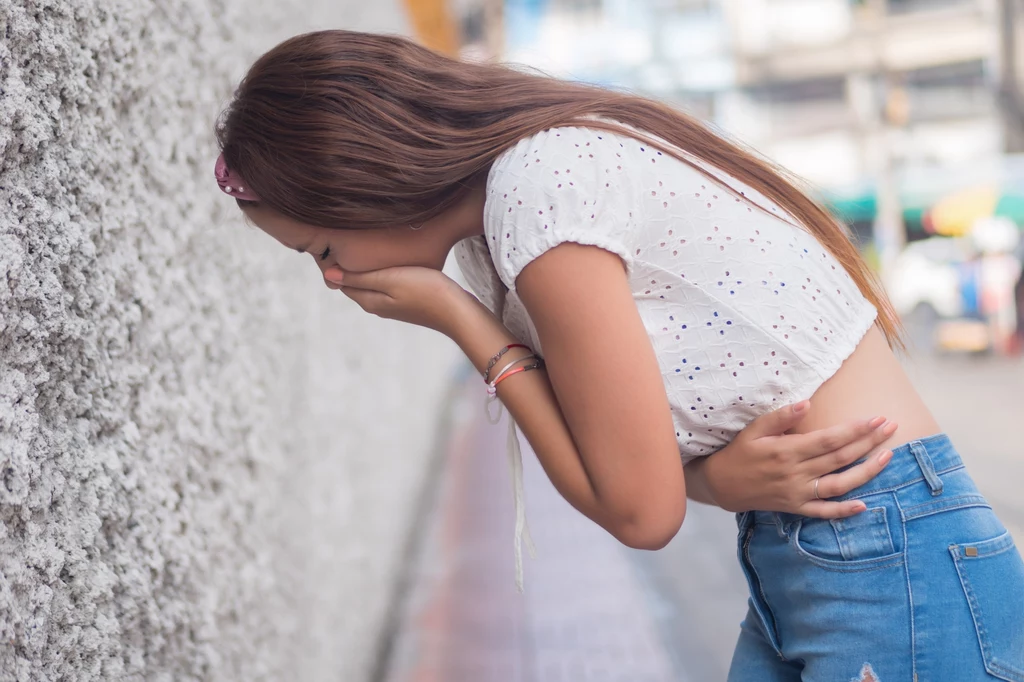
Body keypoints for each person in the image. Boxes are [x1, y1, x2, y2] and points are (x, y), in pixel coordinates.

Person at [213, 30, 1024, 682]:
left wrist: (466, 326)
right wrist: (713, 481)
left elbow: (640, 512)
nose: (332, 278)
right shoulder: (538, 179)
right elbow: (638, 476)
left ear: (364, 181)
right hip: (831, 547)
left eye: (319, 246)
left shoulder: (537, 190)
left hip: (880, 545)